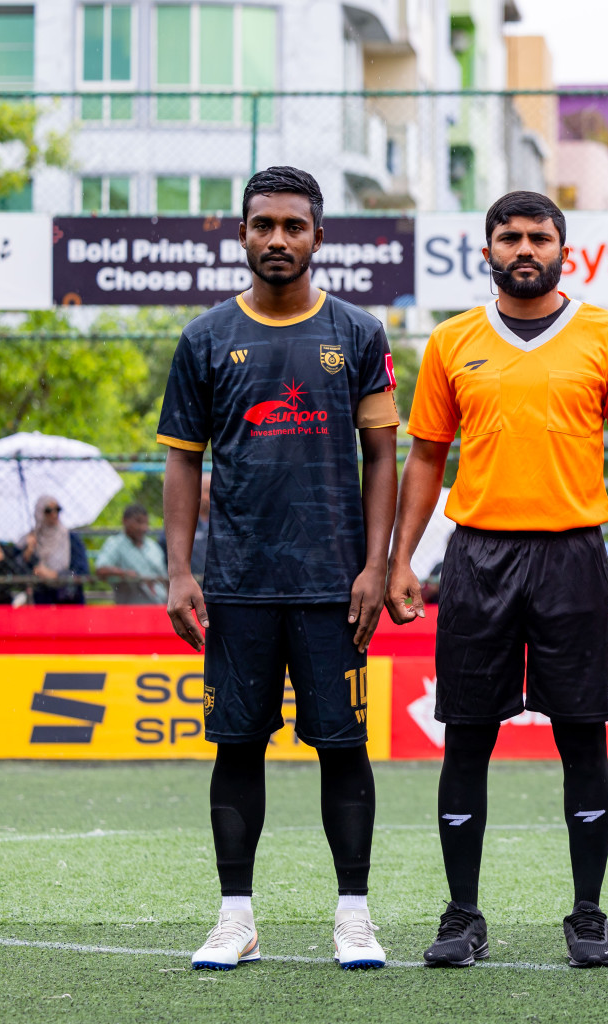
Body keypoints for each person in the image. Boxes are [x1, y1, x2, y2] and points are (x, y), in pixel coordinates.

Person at [385, 190, 608, 970]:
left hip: (574, 555)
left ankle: (588, 916)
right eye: (510, 237)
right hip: (478, 557)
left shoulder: (607, 336)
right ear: (488, 252)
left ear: (564, 250)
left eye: (540, 236)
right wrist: (406, 558)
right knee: (466, 740)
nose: (525, 248)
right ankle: (463, 915)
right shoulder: (450, 341)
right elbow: (427, 459)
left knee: (584, 740)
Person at [157, 166, 399, 971]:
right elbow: (184, 464)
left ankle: (355, 917)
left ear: (318, 238)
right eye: (263, 225)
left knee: (343, 747)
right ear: (243, 236)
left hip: (336, 586)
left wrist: (376, 564)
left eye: (294, 226)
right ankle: (236, 919)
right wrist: (179, 571)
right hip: (237, 585)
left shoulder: (361, 335)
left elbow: (382, 456)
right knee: (237, 748)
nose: (278, 239)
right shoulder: (204, 339)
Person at [94, 503, 167, 604]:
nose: (143, 527)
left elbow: (165, 576)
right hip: (132, 608)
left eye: (146, 523)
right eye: (138, 522)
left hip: (160, 606)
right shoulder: (115, 544)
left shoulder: (152, 546)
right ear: (125, 521)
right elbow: (100, 569)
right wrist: (126, 574)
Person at [22, 496, 89, 605]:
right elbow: (19, 569)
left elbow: (82, 572)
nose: (54, 514)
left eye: (57, 509)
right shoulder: (32, 539)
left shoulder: (70, 538)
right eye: (48, 510)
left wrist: (55, 575)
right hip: (42, 599)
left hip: (68, 599)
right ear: (40, 513)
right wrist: (28, 552)